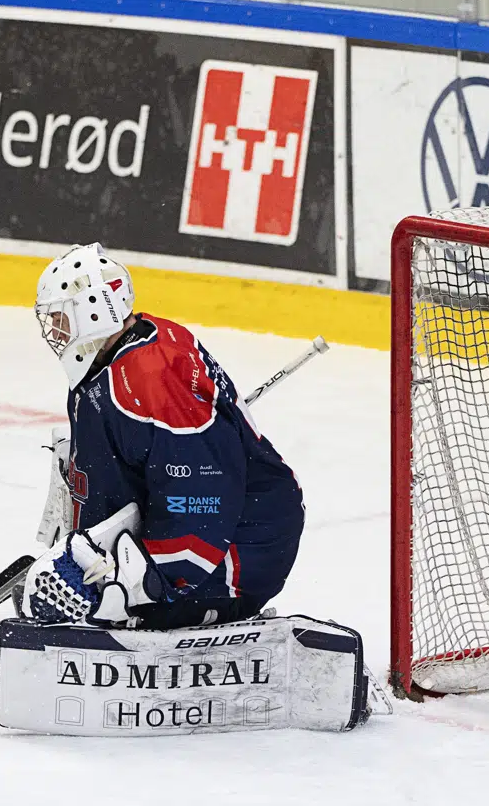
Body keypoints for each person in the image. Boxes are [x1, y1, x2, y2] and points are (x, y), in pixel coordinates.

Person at [19, 242, 305, 630]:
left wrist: (138, 586)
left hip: (240, 553)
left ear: (93, 311)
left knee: (99, 609)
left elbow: (202, 496)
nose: (54, 331)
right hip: (201, 532)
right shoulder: (112, 364)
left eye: (60, 318)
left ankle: (195, 606)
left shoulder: (153, 379)